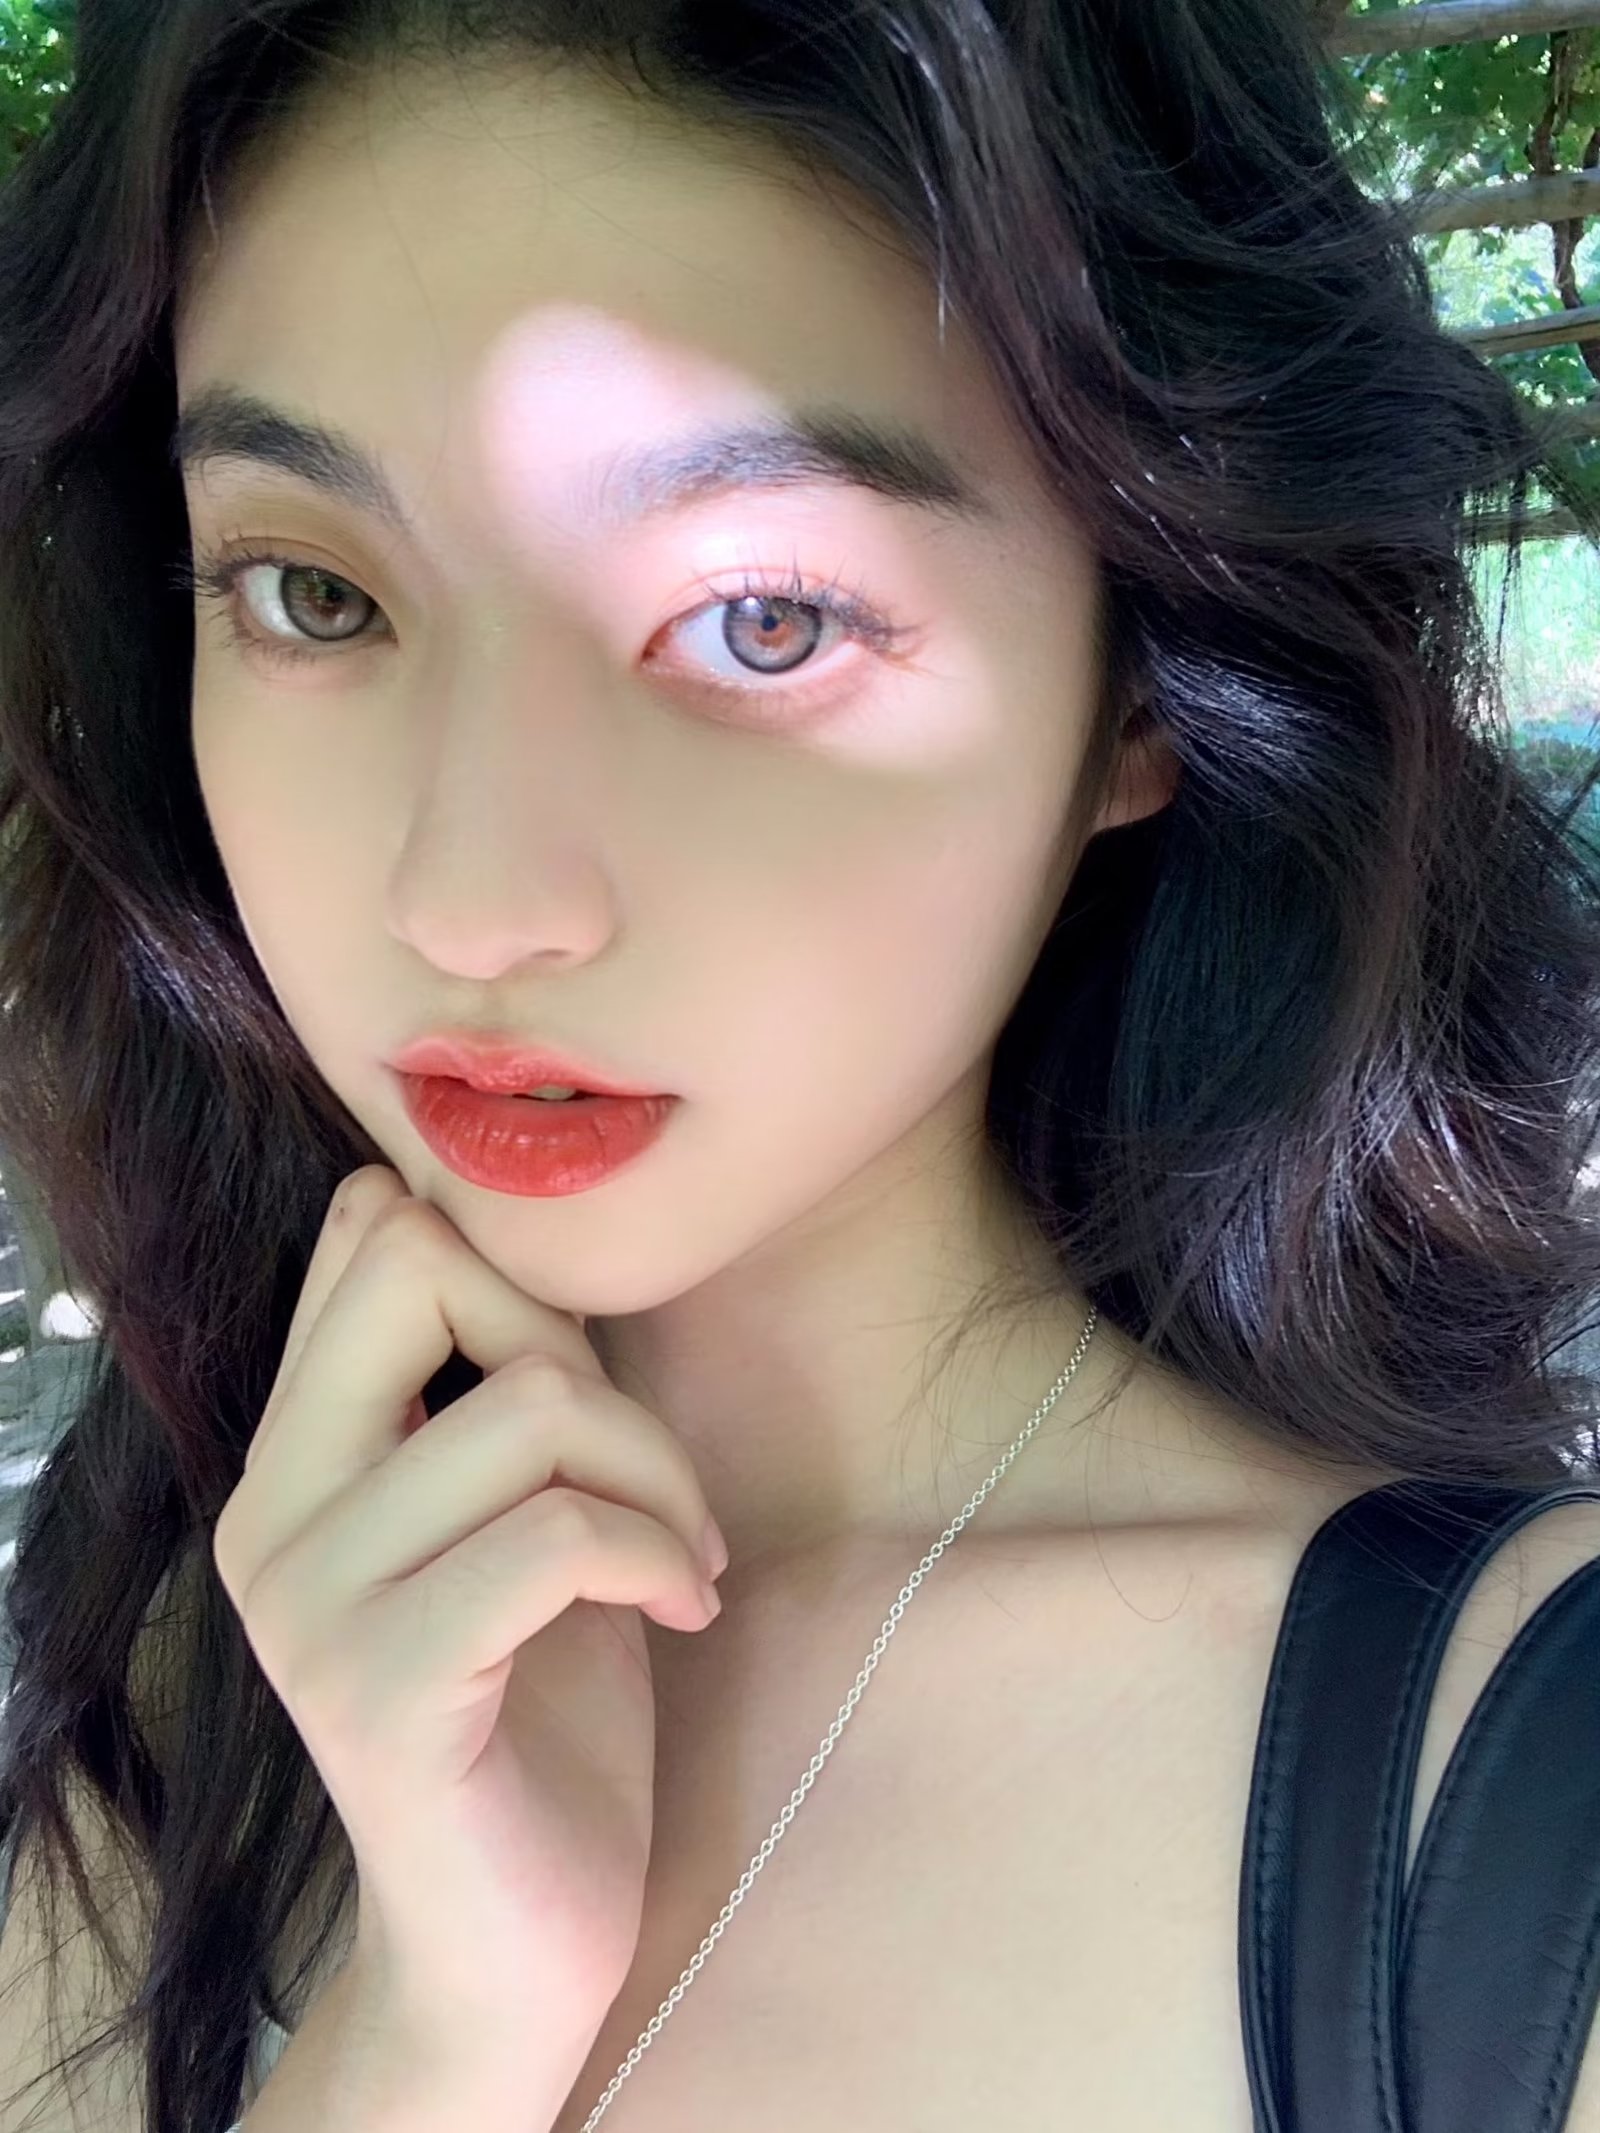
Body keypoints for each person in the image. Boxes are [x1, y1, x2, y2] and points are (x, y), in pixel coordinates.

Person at [0, 3, 1599, 2129]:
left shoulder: (1503, 1816)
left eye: (764, 619)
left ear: (1143, 682)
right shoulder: (183, 1653)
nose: (473, 900)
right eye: (312, 592)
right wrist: (436, 2027)